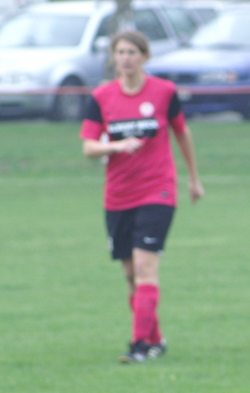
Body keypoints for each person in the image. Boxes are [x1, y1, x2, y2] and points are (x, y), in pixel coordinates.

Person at [79, 30, 203, 363]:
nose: (126, 58)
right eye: (120, 52)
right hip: (118, 195)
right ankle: (155, 339)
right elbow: (89, 147)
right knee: (131, 275)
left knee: (146, 267)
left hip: (158, 190)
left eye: (132, 52)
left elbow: (182, 133)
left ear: (145, 57)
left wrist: (193, 179)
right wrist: (117, 146)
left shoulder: (164, 92)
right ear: (113, 57)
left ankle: (138, 346)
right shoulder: (101, 97)